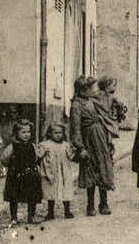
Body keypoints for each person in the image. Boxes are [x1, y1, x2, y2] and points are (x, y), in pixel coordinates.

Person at [70, 76, 115, 216]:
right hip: (88, 140)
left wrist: (109, 139)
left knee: (103, 168)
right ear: (83, 90)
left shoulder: (94, 101)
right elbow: (75, 128)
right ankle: (90, 205)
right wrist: (80, 147)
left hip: (101, 138)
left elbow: (105, 118)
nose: (95, 90)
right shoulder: (76, 105)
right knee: (90, 170)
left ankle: (104, 203)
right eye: (92, 88)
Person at [0, 119, 42, 225]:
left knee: (32, 195)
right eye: (23, 132)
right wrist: (12, 166)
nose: (26, 135)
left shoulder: (32, 146)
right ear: (16, 133)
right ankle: (14, 217)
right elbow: (4, 158)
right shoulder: (13, 147)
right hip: (16, 175)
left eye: (28, 132)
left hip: (30, 174)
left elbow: (37, 157)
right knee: (14, 196)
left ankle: (31, 216)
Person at [38, 123, 76, 220]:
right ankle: (50, 212)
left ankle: (67, 211)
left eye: (61, 133)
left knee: (66, 190)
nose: (59, 135)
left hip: (64, 173)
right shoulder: (46, 145)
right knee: (51, 191)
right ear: (50, 134)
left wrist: (74, 151)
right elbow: (39, 155)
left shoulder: (65, 145)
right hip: (52, 172)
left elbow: (71, 157)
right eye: (56, 133)